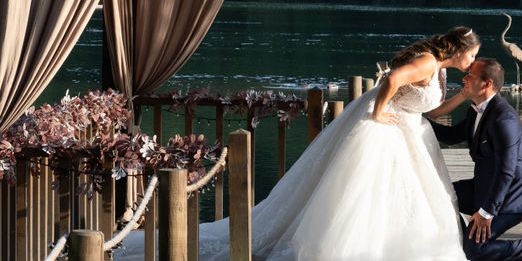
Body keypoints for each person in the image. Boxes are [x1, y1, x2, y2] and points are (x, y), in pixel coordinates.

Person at [115, 26, 480, 261]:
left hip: (409, 132)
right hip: (385, 128)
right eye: (473, 54)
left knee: (402, 195)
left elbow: (428, 105)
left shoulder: (441, 68)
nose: (474, 61)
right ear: (461, 49)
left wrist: (462, 98)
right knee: (366, 189)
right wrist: (381, 111)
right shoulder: (428, 61)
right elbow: (393, 80)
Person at [428, 58, 522, 261]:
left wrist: (486, 213)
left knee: (474, 251)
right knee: (440, 197)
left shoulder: (504, 119)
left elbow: (507, 171)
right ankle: (463, 239)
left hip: (511, 197)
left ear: (487, 84)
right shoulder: (475, 110)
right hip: (485, 187)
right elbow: (451, 136)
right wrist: (416, 119)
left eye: (470, 76)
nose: (464, 78)